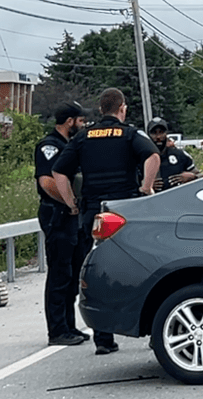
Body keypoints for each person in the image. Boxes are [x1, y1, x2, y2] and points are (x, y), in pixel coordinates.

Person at [52, 88, 159, 355]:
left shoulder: (83, 137)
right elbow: (153, 156)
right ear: (121, 108)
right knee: (145, 266)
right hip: (125, 211)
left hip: (94, 214)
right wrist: (146, 189)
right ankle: (156, 333)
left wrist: (70, 203)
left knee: (99, 271)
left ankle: (103, 337)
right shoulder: (131, 134)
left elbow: (58, 171)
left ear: (100, 110)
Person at [35, 101, 89, 346]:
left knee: (72, 272)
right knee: (59, 273)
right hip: (57, 214)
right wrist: (69, 202)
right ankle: (56, 330)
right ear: (70, 122)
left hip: (72, 216)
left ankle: (69, 326)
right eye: (81, 121)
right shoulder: (50, 146)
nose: (83, 125)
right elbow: (47, 182)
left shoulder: (70, 146)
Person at [146, 117, 201, 190]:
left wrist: (193, 177)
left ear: (166, 134)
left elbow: (201, 176)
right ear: (149, 135)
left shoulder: (179, 154)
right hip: (151, 199)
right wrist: (145, 186)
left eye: (161, 132)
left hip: (178, 197)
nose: (158, 137)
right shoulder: (140, 158)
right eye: (154, 133)